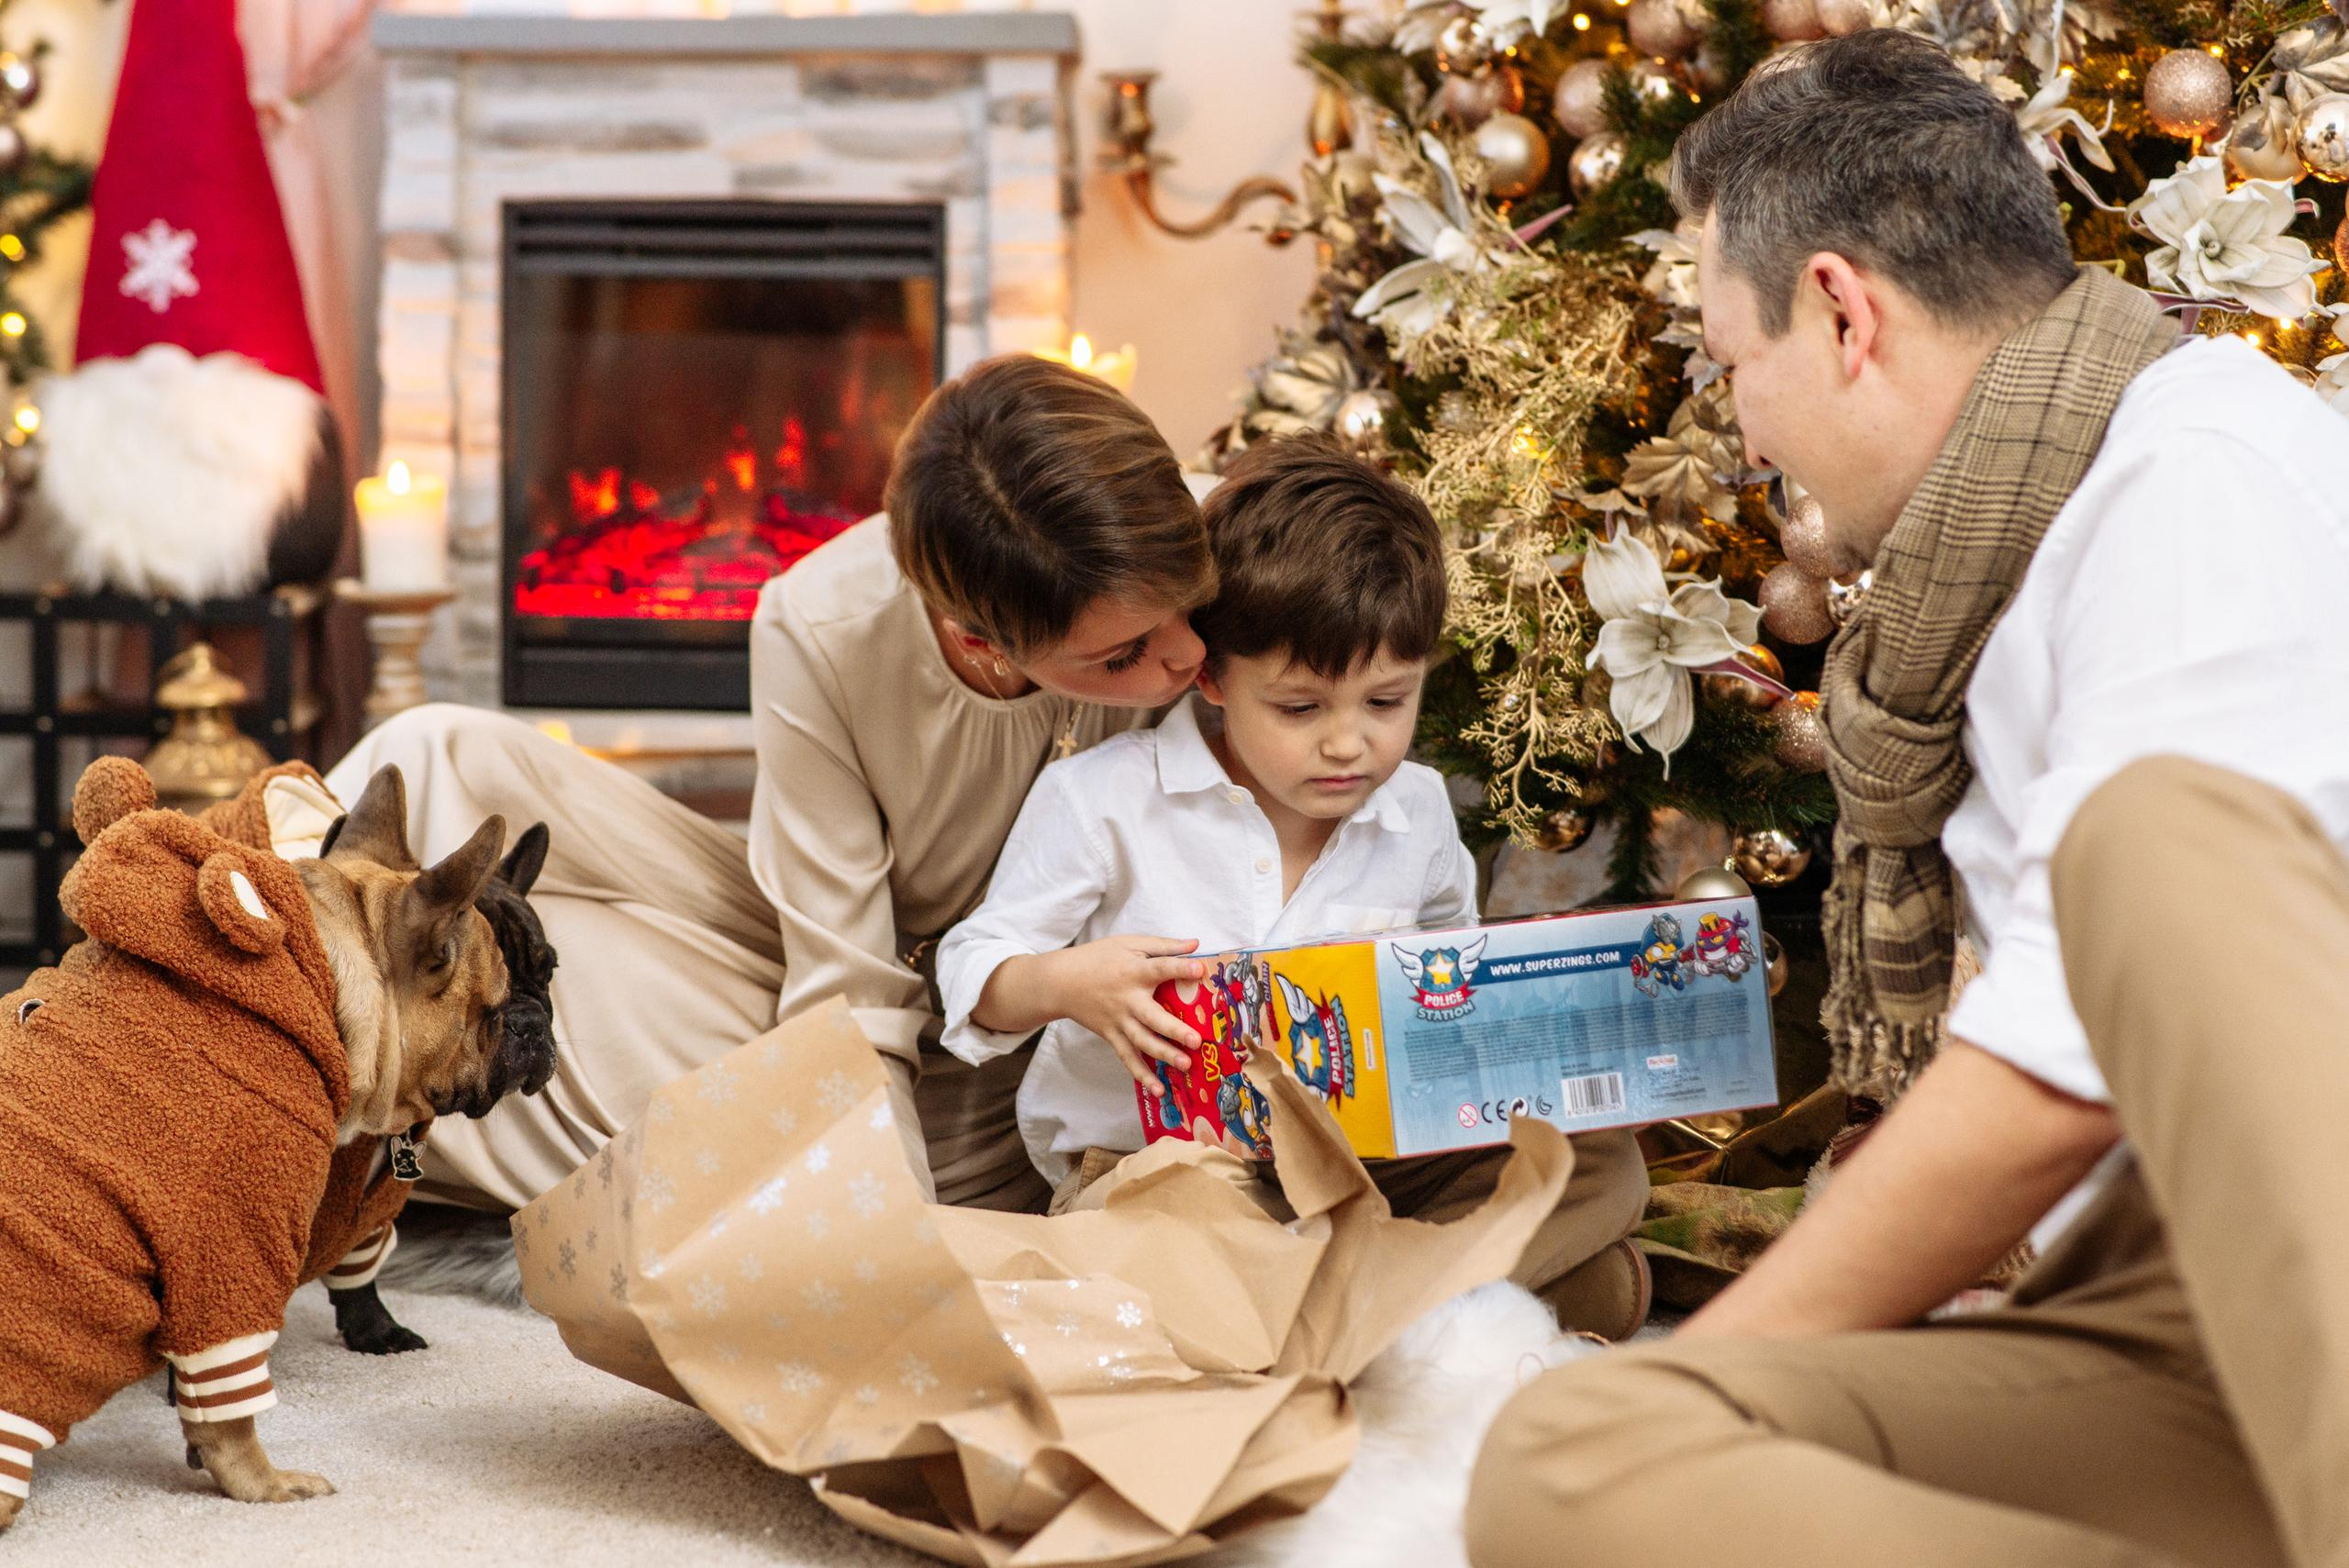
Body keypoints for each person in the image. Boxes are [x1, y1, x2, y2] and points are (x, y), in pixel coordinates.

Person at [1465, 30, 2349, 1567]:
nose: (1741, 434)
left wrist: (1732, 1354)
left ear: (1840, 312)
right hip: (2171, 1310)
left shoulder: (2205, 474)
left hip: (2296, 1267)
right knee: (1571, 1447)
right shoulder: (2018, 559)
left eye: (1736, 364)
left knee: (2153, 842)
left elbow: (2075, 1043)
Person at [325, 354, 1215, 1214]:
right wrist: (891, 1252)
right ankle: (237, 1022)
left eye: (1192, 601)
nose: (1190, 653)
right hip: (869, 967)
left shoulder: (1205, 527)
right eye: (1121, 654)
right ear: (979, 638)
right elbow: (849, 989)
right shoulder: (824, 623)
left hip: (1042, 1032)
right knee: (432, 748)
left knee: (614, 1034)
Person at [936, 437, 1652, 1337]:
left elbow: (1450, 984)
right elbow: (973, 964)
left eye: (1386, 701)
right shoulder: (1102, 800)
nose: (1349, 743)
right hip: (1159, 1176)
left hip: (1359, 1170)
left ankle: (1324, 1309)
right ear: (1209, 675)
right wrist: (1066, 985)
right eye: (1301, 707)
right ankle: (1410, 1304)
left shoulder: (1419, 809)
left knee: (1599, 1162)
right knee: (1185, 1230)